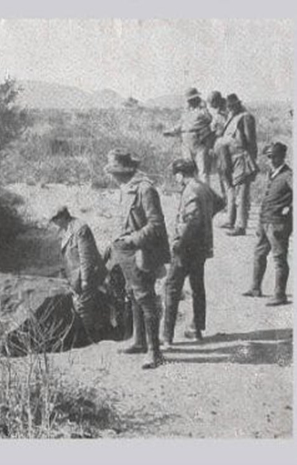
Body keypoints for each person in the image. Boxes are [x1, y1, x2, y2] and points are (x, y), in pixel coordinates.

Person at [104, 149, 170, 369]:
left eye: (114, 171)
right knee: (132, 294)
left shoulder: (145, 189)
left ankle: (155, 352)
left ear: (124, 171)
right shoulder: (126, 188)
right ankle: (140, 341)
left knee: (146, 298)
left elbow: (156, 225)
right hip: (125, 253)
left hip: (141, 252)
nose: (112, 176)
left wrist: (132, 240)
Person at [163, 159, 225, 344]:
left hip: (187, 248)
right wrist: (207, 218)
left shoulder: (190, 190)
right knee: (197, 287)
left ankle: (166, 337)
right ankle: (196, 329)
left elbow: (192, 220)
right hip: (201, 246)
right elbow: (220, 202)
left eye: (176, 175)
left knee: (171, 287)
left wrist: (180, 244)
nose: (176, 179)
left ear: (180, 174)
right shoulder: (203, 186)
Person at [242, 142, 292, 306]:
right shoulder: (271, 174)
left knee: (279, 258)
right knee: (259, 254)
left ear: (282, 157)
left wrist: (289, 208)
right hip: (265, 221)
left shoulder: (288, 175)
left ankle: (280, 294)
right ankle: (255, 288)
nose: (269, 160)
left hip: (278, 224)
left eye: (273, 157)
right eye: (268, 157)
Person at [49, 206, 108, 341]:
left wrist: (85, 280)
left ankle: (93, 339)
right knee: (82, 306)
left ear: (62, 217)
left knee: (83, 307)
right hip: (76, 275)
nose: (54, 223)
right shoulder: (66, 229)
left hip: (88, 274)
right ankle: (92, 335)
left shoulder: (80, 228)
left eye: (55, 219)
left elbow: (86, 257)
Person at [215, 93, 258, 236]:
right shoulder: (231, 117)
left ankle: (241, 225)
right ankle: (230, 220)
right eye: (228, 106)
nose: (230, 108)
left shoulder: (246, 117)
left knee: (242, 192)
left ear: (238, 104)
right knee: (231, 190)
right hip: (229, 158)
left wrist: (251, 159)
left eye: (232, 105)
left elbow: (250, 141)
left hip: (242, 158)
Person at [163, 87, 214, 184]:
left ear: (196, 99)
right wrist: (170, 132)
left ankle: (205, 191)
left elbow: (210, 119)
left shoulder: (202, 111)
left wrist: (203, 108)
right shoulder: (186, 113)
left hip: (199, 142)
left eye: (192, 99)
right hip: (186, 143)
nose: (190, 102)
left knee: (202, 169)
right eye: (189, 100)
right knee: (187, 168)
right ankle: (191, 189)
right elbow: (180, 125)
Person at [207, 91, 229, 199]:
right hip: (223, 144)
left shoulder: (223, 114)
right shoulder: (222, 111)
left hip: (223, 144)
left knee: (224, 171)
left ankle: (227, 197)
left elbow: (215, 130)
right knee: (222, 171)